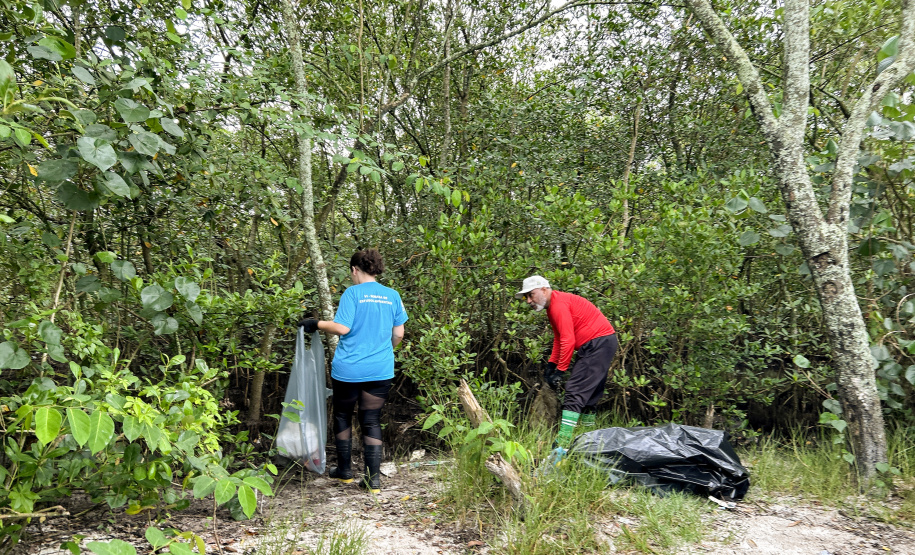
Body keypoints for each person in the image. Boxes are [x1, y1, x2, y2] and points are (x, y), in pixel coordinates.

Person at [299, 249, 407, 493]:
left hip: (349, 369)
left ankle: (345, 471)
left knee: (342, 415)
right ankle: (373, 480)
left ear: (355, 270)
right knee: (371, 421)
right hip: (380, 369)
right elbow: (399, 333)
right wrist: (383, 351)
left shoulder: (353, 294)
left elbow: (342, 328)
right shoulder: (393, 296)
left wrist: (315, 324)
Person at [516, 275, 618, 449]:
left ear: (544, 289)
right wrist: (551, 365)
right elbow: (559, 338)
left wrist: (561, 370)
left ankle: (561, 444)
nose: (528, 301)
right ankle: (588, 440)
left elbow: (568, 340)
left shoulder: (558, 305)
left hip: (597, 343)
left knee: (575, 390)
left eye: (531, 295)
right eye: (526, 297)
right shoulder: (554, 305)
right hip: (602, 342)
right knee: (589, 394)